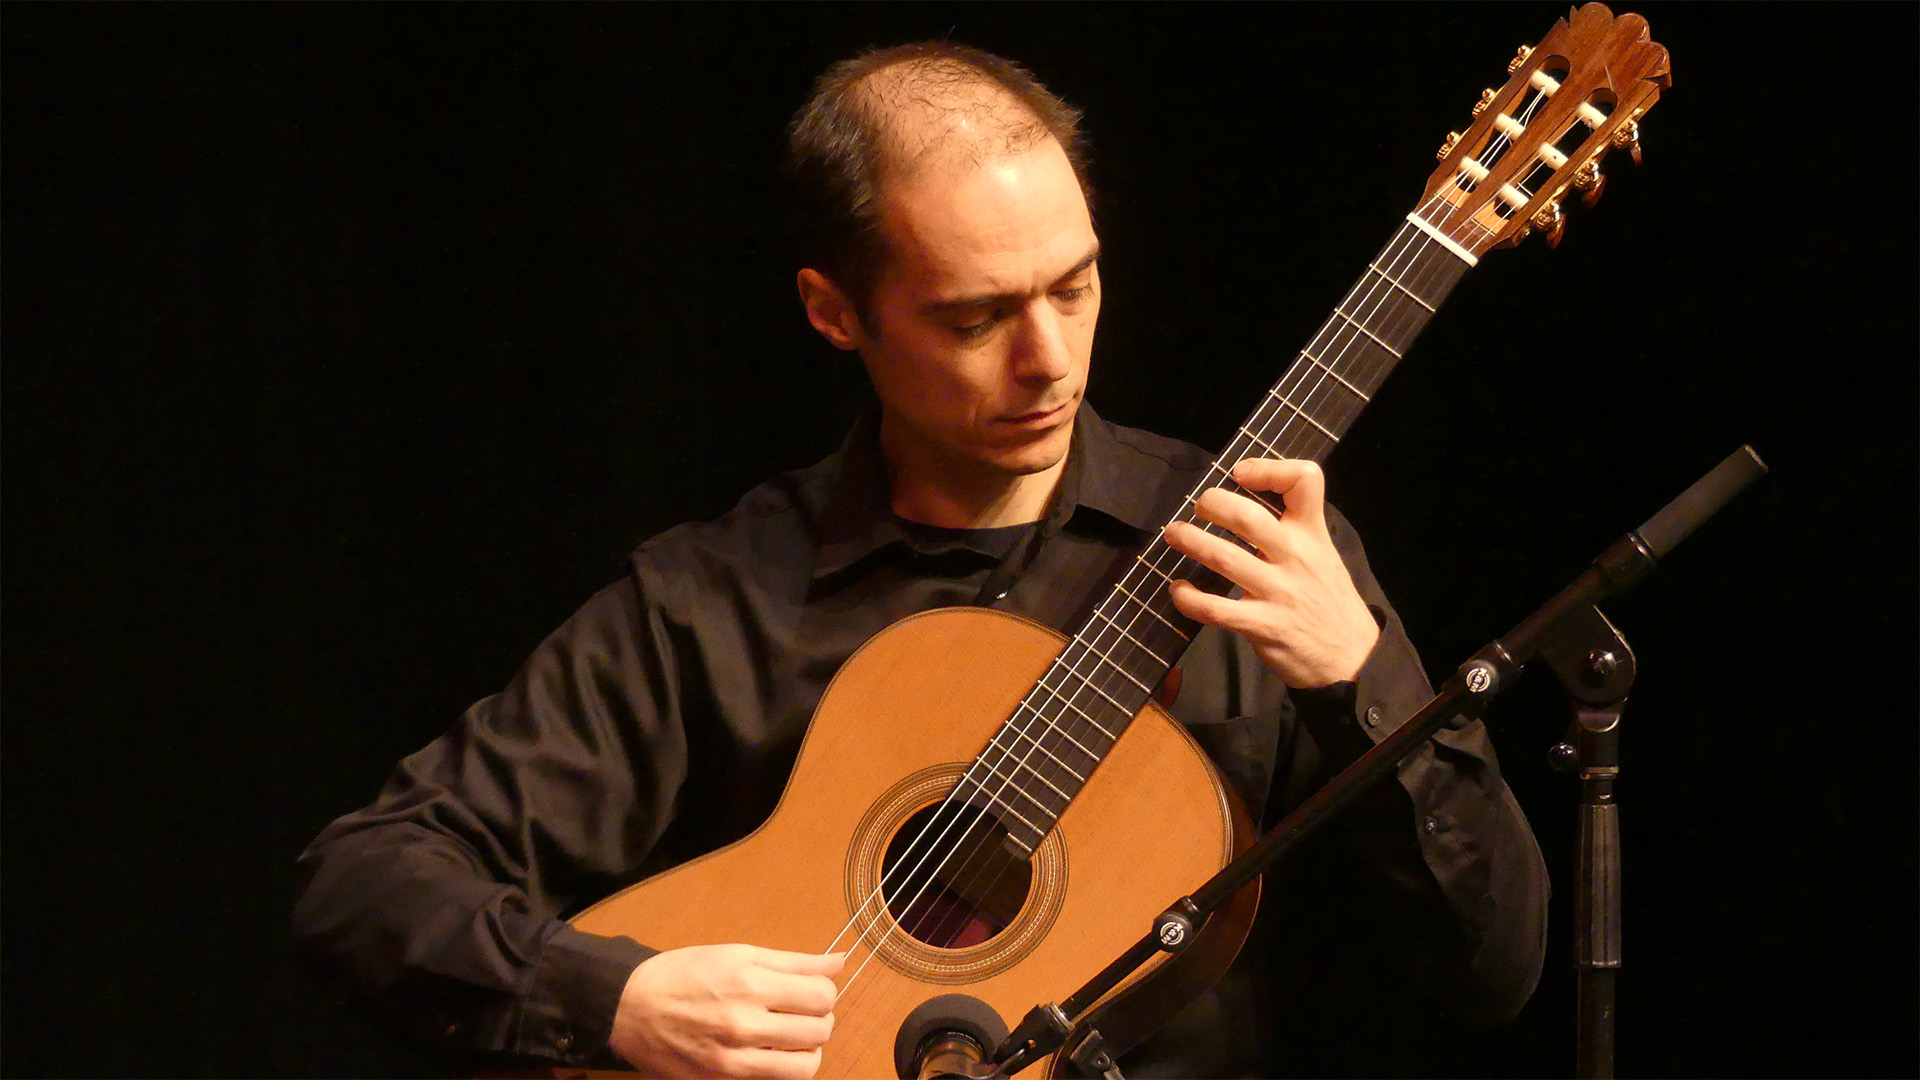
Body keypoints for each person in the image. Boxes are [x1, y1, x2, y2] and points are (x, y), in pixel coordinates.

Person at [294, 42, 1548, 1079]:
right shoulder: (714, 601)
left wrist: (1360, 673)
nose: (1048, 359)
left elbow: (1493, 969)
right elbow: (365, 879)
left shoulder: (1256, 554)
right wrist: (615, 997)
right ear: (835, 312)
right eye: (976, 317)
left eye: (1074, 287)